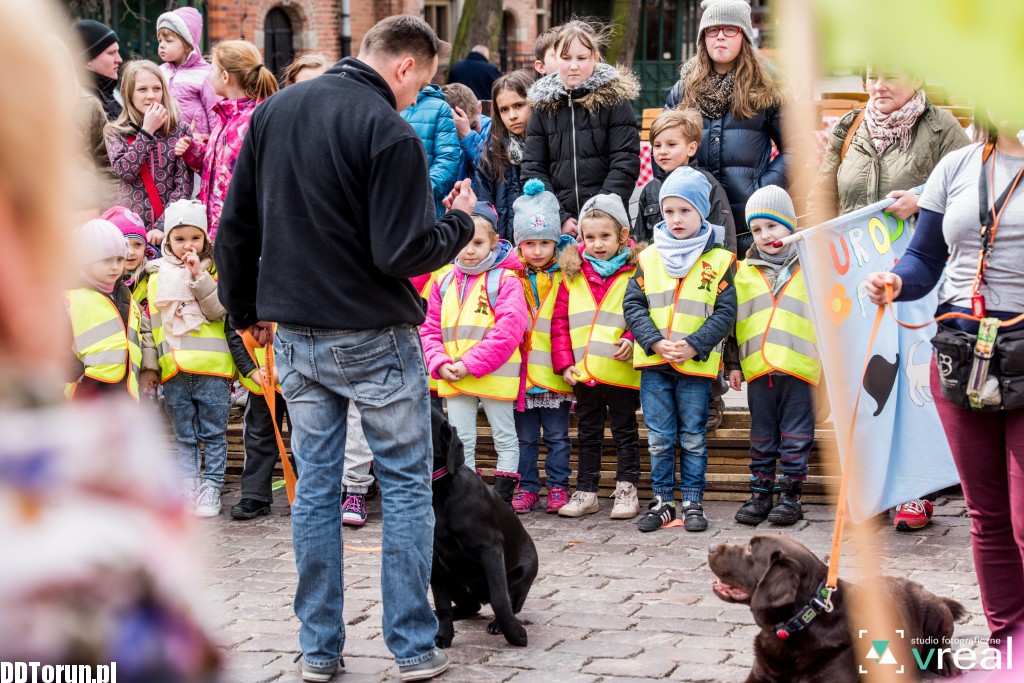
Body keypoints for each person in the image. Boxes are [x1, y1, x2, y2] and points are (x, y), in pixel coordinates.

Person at [214, 15, 475, 681]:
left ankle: (319, 649)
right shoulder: (390, 131)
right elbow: (401, 251)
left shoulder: (274, 111)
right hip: (372, 333)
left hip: (294, 330)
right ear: (405, 67)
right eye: (422, 85)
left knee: (317, 489)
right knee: (408, 485)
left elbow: (235, 225)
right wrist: (459, 224)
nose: (418, 100)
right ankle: (413, 647)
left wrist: (244, 310)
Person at [865, 113, 1024, 653]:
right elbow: (925, 258)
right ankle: (1010, 641)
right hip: (963, 353)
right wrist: (895, 280)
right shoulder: (957, 165)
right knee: (988, 513)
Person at [809, 65, 969, 531]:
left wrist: (920, 200)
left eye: (891, 76)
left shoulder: (942, 128)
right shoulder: (850, 125)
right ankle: (871, 490)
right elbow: (824, 194)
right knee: (864, 381)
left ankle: (915, 494)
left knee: (912, 382)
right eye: (872, 77)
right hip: (856, 277)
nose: (879, 87)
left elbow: (970, 190)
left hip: (919, 274)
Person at [623, 166, 737, 532]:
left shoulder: (718, 260)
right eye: (669, 211)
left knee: (692, 436)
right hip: (655, 365)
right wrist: (654, 341)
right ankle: (662, 500)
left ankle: (692, 499)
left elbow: (725, 312)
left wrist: (694, 345)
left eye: (685, 210)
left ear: (702, 212)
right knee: (658, 437)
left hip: (694, 365)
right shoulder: (648, 257)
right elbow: (634, 305)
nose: (676, 219)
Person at [635, 107, 738, 431]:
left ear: (691, 147)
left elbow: (724, 233)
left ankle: (711, 396)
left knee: (704, 337)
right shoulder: (651, 190)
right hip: (662, 281)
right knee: (665, 339)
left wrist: (722, 269)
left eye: (671, 144)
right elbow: (641, 238)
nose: (663, 151)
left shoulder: (706, 185)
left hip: (702, 278)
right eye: (658, 145)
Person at [420, 203, 529, 504]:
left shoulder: (506, 281)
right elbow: (427, 330)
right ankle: (467, 499)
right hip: (453, 375)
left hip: (493, 376)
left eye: (478, 243)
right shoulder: (441, 282)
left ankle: (503, 501)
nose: (469, 250)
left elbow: (508, 331)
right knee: (461, 439)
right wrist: (439, 363)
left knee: (504, 438)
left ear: (494, 242)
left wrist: (468, 364)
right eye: (463, 243)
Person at [663, 0, 789, 257]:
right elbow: (664, 144)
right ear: (703, 37)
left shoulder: (767, 86)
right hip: (695, 224)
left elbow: (796, 147)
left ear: (743, 35)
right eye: (713, 29)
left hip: (749, 224)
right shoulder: (684, 88)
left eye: (730, 29)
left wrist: (762, 188)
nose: (720, 36)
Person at [725, 185, 819, 526]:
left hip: (799, 369)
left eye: (773, 226)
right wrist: (733, 363)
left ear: (790, 225)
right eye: (757, 229)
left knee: (796, 436)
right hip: (760, 370)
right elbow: (734, 322)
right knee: (761, 436)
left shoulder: (811, 266)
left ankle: (790, 496)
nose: (765, 236)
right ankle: (760, 494)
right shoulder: (744, 271)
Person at [142, 199, 234, 518]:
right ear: (167, 240)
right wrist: (151, 367)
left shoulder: (217, 269)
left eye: (194, 238)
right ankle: (186, 485)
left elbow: (218, 311)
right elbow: (152, 326)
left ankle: (211, 486)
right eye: (179, 239)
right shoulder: (156, 277)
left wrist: (199, 276)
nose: (187, 246)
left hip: (213, 370)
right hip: (174, 370)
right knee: (184, 434)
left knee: (213, 432)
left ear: (205, 238)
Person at [551, 194, 642, 520]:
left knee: (624, 431)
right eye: (590, 237)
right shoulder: (572, 274)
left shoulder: (636, 271)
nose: (597, 244)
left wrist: (633, 340)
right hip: (585, 372)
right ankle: (587, 491)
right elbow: (560, 323)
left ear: (622, 235)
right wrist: (563, 363)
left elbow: (644, 314)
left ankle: (627, 489)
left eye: (605, 236)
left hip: (620, 371)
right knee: (587, 433)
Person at [522, 19, 640, 238]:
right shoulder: (542, 107)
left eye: (581, 58)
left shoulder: (614, 101)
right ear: (555, 58)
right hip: (560, 227)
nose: (573, 65)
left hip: (607, 226)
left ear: (595, 57)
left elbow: (625, 162)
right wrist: (560, 215)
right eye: (566, 58)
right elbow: (533, 168)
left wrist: (598, 213)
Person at [508, 180, 575, 514]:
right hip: (521, 375)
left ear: (556, 242)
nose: (537, 250)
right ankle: (528, 485)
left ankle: (559, 486)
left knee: (558, 436)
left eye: (545, 242)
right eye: (530, 243)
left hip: (554, 371)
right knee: (526, 438)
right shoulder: (509, 278)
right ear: (519, 244)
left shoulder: (567, 275)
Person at [175, 41, 279, 242]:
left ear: (225, 76)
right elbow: (219, 171)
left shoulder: (253, 119)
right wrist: (193, 151)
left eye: (212, 68)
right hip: (218, 230)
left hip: (242, 232)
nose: (208, 74)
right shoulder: (226, 117)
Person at [105, 60, 193, 244]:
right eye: (142, 89)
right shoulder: (115, 131)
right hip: (130, 232)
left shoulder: (180, 130)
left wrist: (162, 226)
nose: (151, 96)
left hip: (169, 231)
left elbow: (183, 185)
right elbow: (125, 172)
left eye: (157, 88)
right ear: (129, 94)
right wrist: (147, 131)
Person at [64, 218, 142, 402]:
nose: (115, 267)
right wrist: (79, 376)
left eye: (119, 259)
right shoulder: (70, 298)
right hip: (87, 395)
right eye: (106, 260)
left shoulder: (125, 294)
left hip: (126, 392)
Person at [475, 70, 534, 242]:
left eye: (519, 105)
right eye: (504, 110)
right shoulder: (491, 157)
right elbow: (483, 210)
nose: (512, 116)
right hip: (504, 250)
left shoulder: (549, 149)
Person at [157, 7, 219, 136]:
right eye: (160, 40)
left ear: (187, 44)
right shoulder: (160, 72)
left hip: (196, 145)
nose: (162, 45)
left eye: (168, 41)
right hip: (165, 145)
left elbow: (215, 114)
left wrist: (214, 145)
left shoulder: (205, 74)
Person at [402, 83, 461, 218]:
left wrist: (420, 192)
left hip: (424, 208)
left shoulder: (438, 107)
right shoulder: (378, 104)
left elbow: (448, 160)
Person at [101, 205, 157, 310]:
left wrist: (140, 311)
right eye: (124, 245)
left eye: (137, 245)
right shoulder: (100, 279)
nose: (131, 252)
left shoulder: (155, 274)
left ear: (145, 247)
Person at [72, 19, 123, 121]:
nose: (119, 59)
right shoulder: (81, 103)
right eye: (111, 52)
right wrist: (146, 132)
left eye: (117, 51)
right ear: (87, 59)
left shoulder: (112, 93)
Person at [442, 83, 492, 187]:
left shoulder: (492, 131)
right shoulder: (444, 135)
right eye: (458, 131)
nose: (464, 131)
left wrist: (467, 136)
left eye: (473, 126)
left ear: (479, 108)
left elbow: (492, 172)